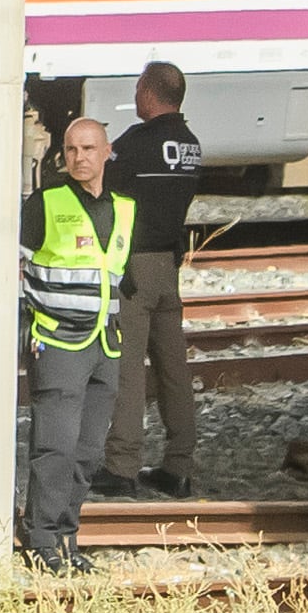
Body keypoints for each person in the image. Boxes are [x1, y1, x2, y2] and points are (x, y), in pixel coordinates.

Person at [18, 114, 136, 573]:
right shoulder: (46, 203)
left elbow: (119, 276)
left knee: (88, 451)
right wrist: (28, 330)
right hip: (58, 340)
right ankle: (42, 539)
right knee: (55, 446)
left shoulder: (124, 207)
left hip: (104, 345)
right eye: (71, 150)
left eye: (88, 149)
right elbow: (19, 270)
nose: (79, 158)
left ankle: (67, 539)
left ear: (107, 152)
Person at [96, 60, 211, 500]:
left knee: (128, 369)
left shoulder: (138, 144)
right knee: (173, 369)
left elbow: (102, 186)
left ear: (148, 92)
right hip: (169, 266)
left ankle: (122, 468)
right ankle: (178, 467)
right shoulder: (190, 144)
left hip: (134, 267)